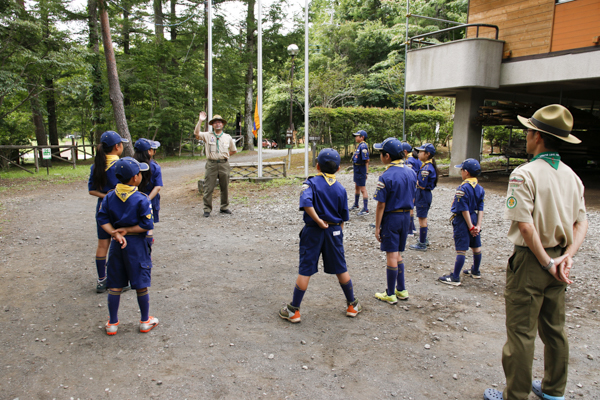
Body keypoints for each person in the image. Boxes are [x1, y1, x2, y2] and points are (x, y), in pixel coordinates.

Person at [484, 104, 588, 400]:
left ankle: (515, 394)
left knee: (521, 331)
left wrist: (546, 262)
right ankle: (555, 390)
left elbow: (526, 227)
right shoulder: (572, 176)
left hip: (533, 260)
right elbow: (582, 222)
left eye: (528, 131)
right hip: (560, 259)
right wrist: (566, 257)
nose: (526, 137)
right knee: (555, 328)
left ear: (537, 136)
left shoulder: (524, 174)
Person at [279, 148, 361, 323]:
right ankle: (352, 305)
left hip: (314, 231)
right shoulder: (341, 189)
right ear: (338, 169)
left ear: (317, 166)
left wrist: (317, 220)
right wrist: (338, 234)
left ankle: (294, 311)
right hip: (334, 231)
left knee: (306, 269)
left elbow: (306, 202)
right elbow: (343, 217)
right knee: (341, 267)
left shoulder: (310, 183)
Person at [97, 157, 159, 335]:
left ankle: (113, 323)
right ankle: (145, 321)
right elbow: (147, 225)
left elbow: (102, 219)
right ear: (135, 178)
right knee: (140, 284)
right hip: (136, 246)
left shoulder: (109, 196)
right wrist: (127, 230)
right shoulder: (142, 199)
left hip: (117, 246)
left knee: (115, 284)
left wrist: (115, 233)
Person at [372, 138, 417, 304]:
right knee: (398, 253)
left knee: (391, 254)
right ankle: (401, 289)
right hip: (406, 217)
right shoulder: (411, 172)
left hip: (392, 217)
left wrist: (377, 227)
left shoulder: (386, 176)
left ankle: (390, 293)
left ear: (387, 156)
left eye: (381, 153)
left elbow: (381, 205)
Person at [88, 131, 128, 293]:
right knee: (121, 243)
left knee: (102, 244)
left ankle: (101, 279)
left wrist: (106, 196)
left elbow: (92, 190)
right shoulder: (122, 165)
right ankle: (119, 280)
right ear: (117, 147)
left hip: (102, 209)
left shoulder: (96, 166)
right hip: (119, 209)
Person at [438, 158, 485, 286]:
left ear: (466, 172)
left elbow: (464, 209)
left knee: (461, 249)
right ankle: (475, 271)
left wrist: (470, 226)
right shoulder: (480, 188)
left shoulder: (463, 187)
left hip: (464, 221)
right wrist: (478, 226)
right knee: (476, 246)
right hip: (474, 218)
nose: (461, 172)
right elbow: (480, 208)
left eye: (461, 170)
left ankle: (455, 277)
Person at [194, 112, 237, 217]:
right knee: (208, 187)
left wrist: (224, 155)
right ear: (212, 125)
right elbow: (196, 134)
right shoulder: (207, 135)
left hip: (224, 164)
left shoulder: (227, 137)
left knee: (225, 186)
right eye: (216, 122)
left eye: (220, 122)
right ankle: (207, 209)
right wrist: (200, 121)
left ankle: (224, 207)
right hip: (211, 164)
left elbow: (233, 150)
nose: (218, 124)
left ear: (222, 124)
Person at [133, 138, 163, 247]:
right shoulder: (154, 166)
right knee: (149, 224)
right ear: (149, 151)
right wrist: (147, 199)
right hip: (150, 198)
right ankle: (148, 246)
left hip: (134, 198)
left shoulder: (132, 165)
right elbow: (157, 187)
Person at [409, 143, 438, 252]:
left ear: (427, 154)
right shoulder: (426, 165)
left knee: (422, 219)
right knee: (422, 217)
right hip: (423, 194)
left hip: (423, 194)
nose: (419, 153)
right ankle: (423, 239)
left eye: (421, 152)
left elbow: (421, 184)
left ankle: (422, 243)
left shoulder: (426, 168)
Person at [350, 129, 370, 216]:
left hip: (361, 169)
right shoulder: (359, 146)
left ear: (362, 137)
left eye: (357, 136)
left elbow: (366, 160)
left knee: (362, 188)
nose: (356, 137)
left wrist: (366, 172)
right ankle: (356, 204)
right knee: (357, 186)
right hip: (357, 168)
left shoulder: (363, 146)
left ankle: (365, 209)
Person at [403, 143, 421, 237]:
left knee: (409, 208)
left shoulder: (409, 160)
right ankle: (413, 227)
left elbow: (409, 175)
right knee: (411, 207)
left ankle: (409, 230)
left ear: (405, 151)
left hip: (413, 185)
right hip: (418, 185)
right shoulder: (416, 158)